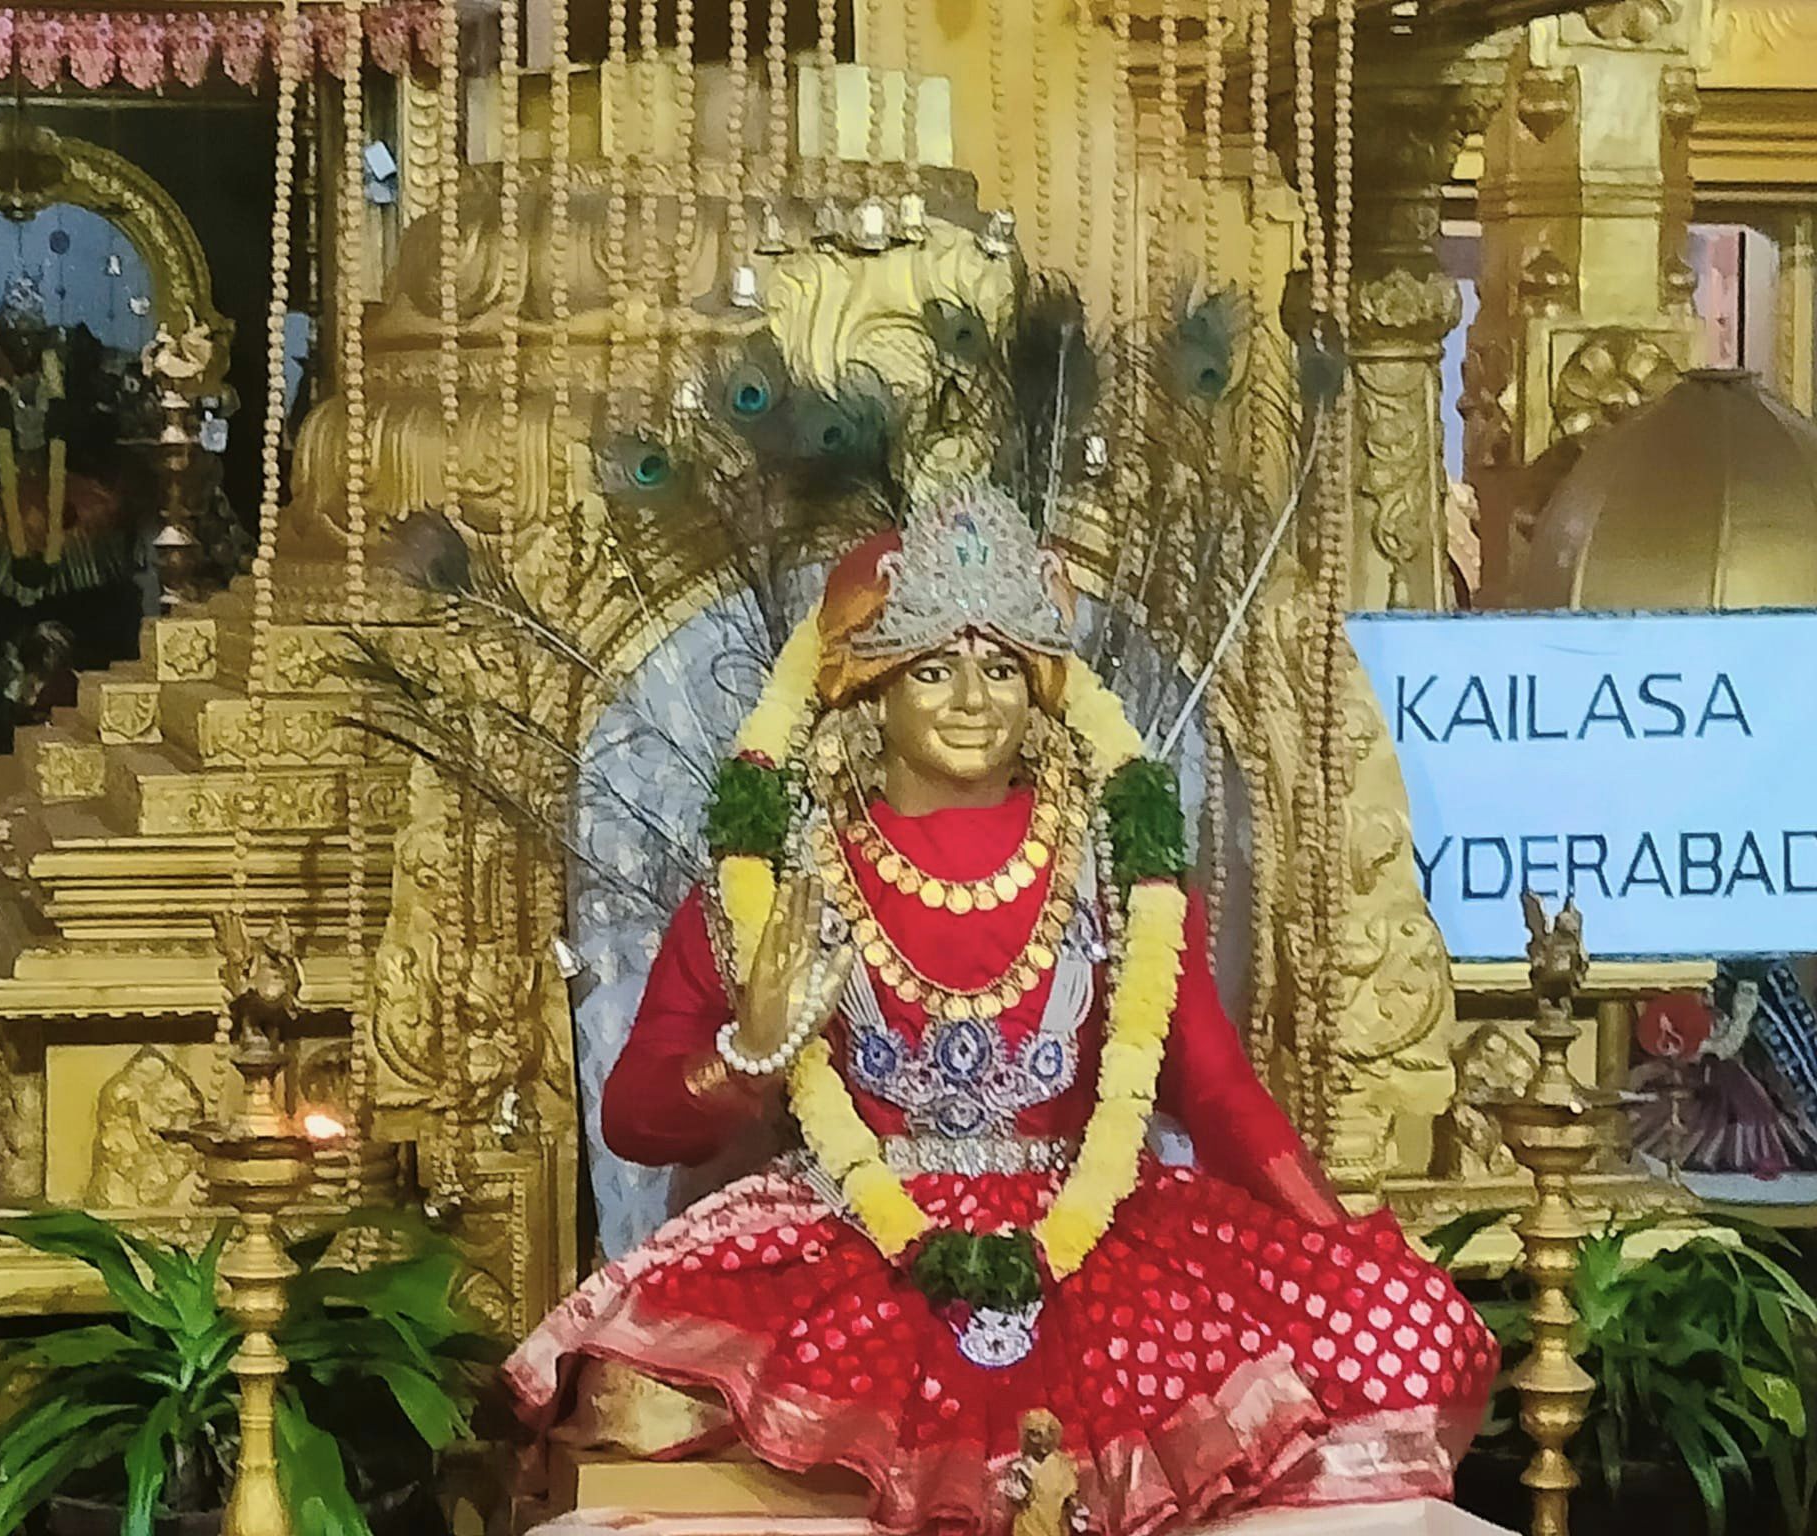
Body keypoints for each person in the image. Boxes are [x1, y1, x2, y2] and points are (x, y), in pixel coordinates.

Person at [507, 477, 1497, 1534]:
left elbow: (1211, 1088)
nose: (973, 699)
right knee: (635, 1393)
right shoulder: (780, 886)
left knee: (1403, 1328)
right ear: (868, 690)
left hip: (1097, 1247)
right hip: (855, 1241)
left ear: (1044, 689)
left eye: (1002, 667)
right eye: (932, 668)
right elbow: (635, 1117)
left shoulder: (1122, 875)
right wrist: (748, 1054)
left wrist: (1337, 1242)